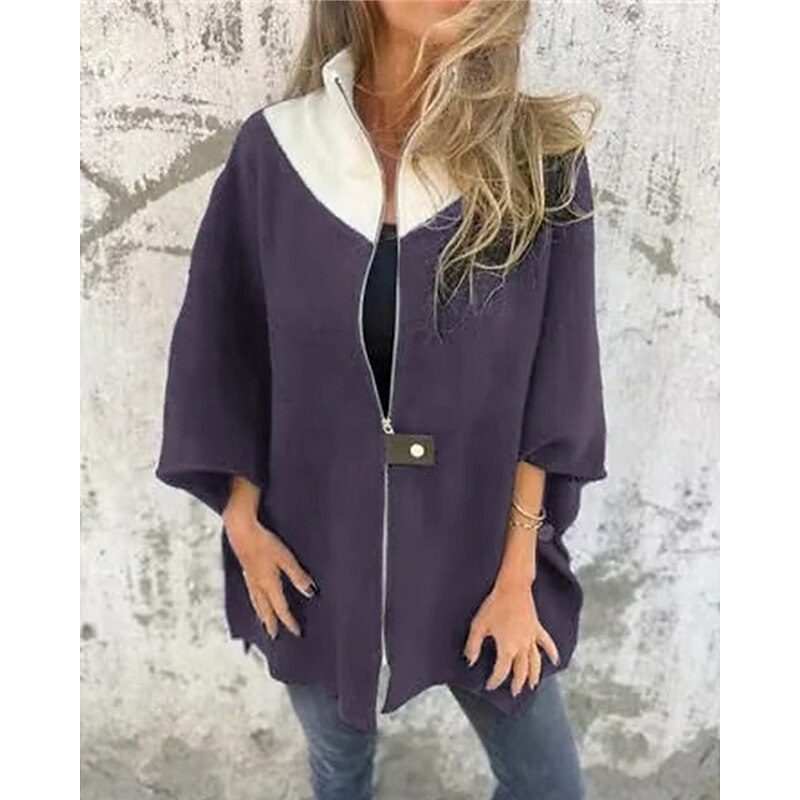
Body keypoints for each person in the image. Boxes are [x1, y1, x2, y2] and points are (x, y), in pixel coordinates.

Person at [155, 1, 608, 798]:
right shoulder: (279, 152)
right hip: (314, 553)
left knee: (548, 785)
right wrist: (244, 523)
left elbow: (556, 384)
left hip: (483, 554)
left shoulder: (539, 160)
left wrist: (517, 580)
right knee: (339, 775)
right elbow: (225, 350)